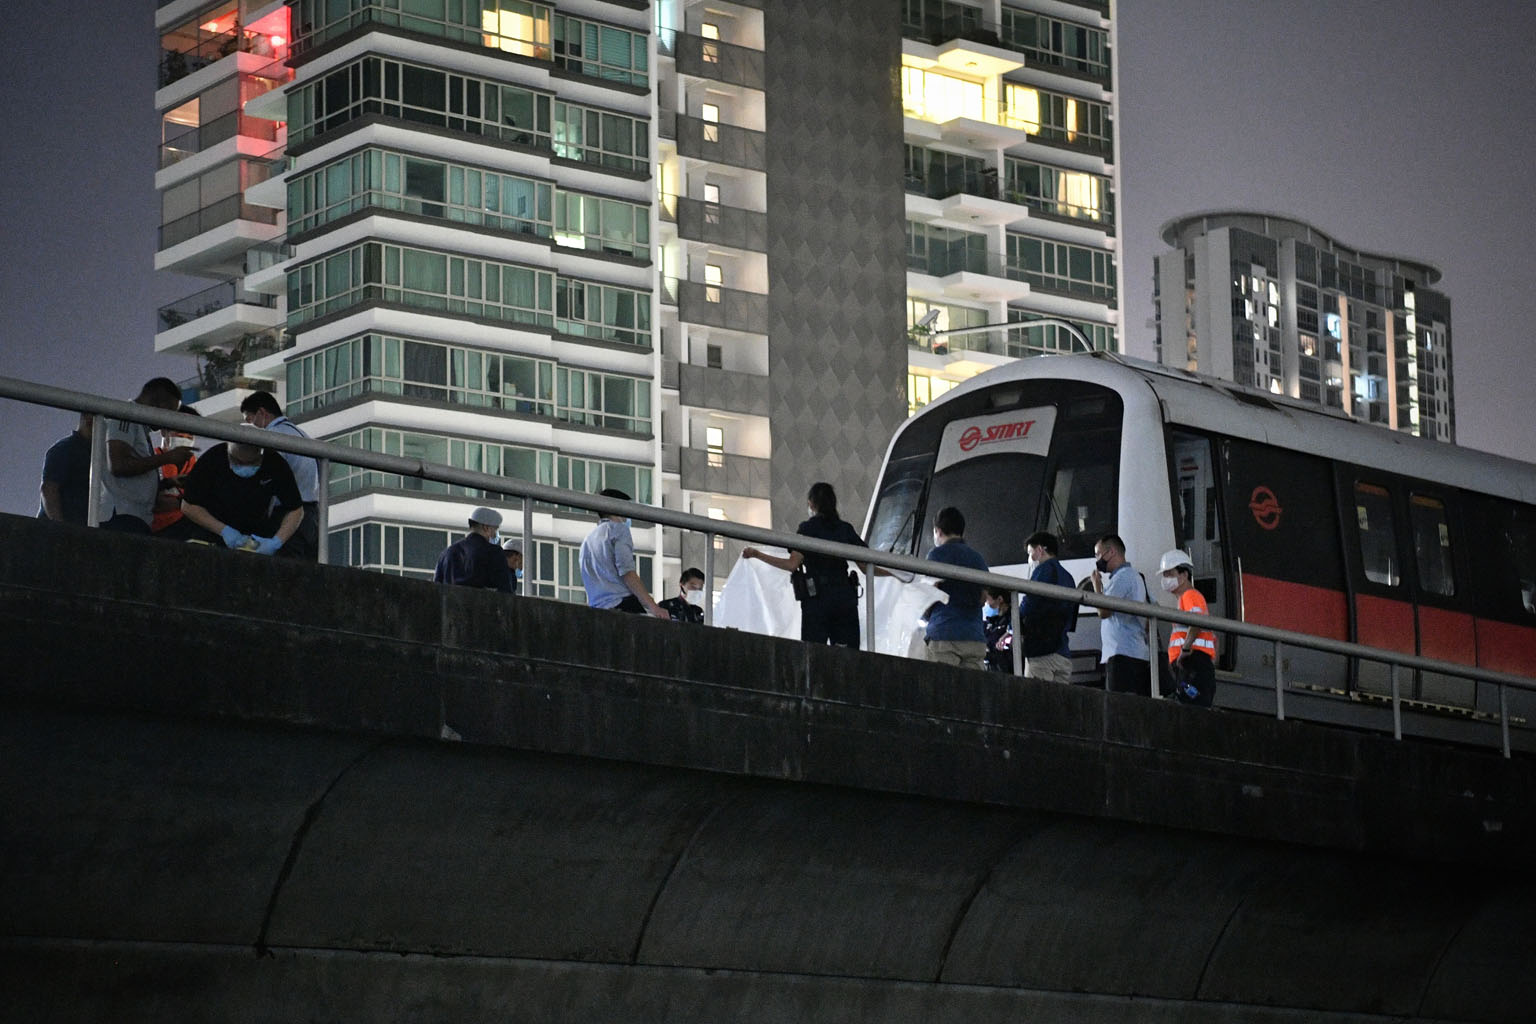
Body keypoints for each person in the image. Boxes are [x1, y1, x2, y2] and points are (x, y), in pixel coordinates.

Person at [743, 481, 866, 648]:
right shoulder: (845, 529)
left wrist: (757, 555)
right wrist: (898, 573)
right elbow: (867, 566)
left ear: (812, 504)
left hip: (817, 600)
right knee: (848, 656)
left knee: (814, 656)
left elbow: (792, 564)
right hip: (844, 599)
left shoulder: (808, 528)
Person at [101, 378, 197, 534]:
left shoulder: (139, 425)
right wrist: (167, 458)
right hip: (122, 515)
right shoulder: (126, 416)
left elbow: (133, 475)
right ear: (158, 404)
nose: (168, 420)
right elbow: (118, 465)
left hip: (135, 516)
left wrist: (167, 483)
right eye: (169, 413)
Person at [179, 441, 305, 555]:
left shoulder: (274, 463)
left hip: (254, 537)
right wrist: (223, 531)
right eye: (238, 462)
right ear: (229, 453)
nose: (245, 467)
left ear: (261, 455)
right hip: (210, 532)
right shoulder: (213, 458)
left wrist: (276, 541)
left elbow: (296, 510)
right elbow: (188, 505)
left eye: (252, 463)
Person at [240, 392, 320, 560]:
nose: (249, 426)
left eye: (249, 420)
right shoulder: (301, 434)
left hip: (287, 515)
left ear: (262, 413)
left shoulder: (273, 437)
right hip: (311, 515)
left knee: (284, 573)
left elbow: (266, 480)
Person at [578, 489, 669, 617]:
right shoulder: (619, 530)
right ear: (618, 508)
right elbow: (627, 572)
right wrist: (654, 607)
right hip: (622, 604)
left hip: (597, 609)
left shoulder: (587, 540)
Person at [922, 506, 989, 670]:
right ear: (962, 531)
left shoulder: (936, 555)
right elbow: (983, 598)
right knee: (971, 692)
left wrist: (925, 613)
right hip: (973, 637)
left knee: (941, 691)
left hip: (943, 635)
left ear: (938, 531)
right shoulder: (977, 558)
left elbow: (932, 590)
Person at [1089, 533, 1152, 695]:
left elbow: (1103, 611)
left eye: (1098, 553)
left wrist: (1096, 587)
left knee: (1119, 710)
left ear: (1111, 552)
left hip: (1123, 655)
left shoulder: (1123, 577)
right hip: (1132, 652)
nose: (1097, 559)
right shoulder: (1133, 577)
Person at [1159, 549, 1218, 707]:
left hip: (1193, 661)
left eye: (1169, 574)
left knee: (1192, 706)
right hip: (1192, 663)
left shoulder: (1190, 595)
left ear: (1184, 575)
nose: (1165, 579)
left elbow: (1196, 621)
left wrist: (1185, 649)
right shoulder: (1185, 599)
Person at [1019, 531, 1078, 684]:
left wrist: (1016, 619)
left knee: (1037, 704)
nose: (1030, 559)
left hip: (1042, 653)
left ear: (1040, 550)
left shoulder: (1043, 570)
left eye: (1030, 553)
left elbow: (1029, 604)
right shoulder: (1068, 577)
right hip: (1063, 653)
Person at [434, 507, 515, 592]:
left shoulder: (447, 553)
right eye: (495, 529)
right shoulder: (494, 552)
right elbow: (505, 591)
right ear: (486, 528)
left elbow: (436, 589)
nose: (496, 534)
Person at [151, 406, 201, 539]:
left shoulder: (199, 466)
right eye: (179, 430)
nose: (184, 435)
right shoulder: (149, 460)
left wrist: (178, 504)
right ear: (163, 431)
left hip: (189, 531)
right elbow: (146, 500)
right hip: (154, 531)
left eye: (190, 431)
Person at [37, 412, 93, 525]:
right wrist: (60, 528)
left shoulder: (95, 454)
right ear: (88, 420)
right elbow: (49, 489)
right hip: (59, 531)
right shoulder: (66, 449)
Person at [982, 587, 1014, 672]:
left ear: (1000, 599)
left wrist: (1004, 637)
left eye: (988, 599)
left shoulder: (1013, 618)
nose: (986, 603)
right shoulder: (992, 621)